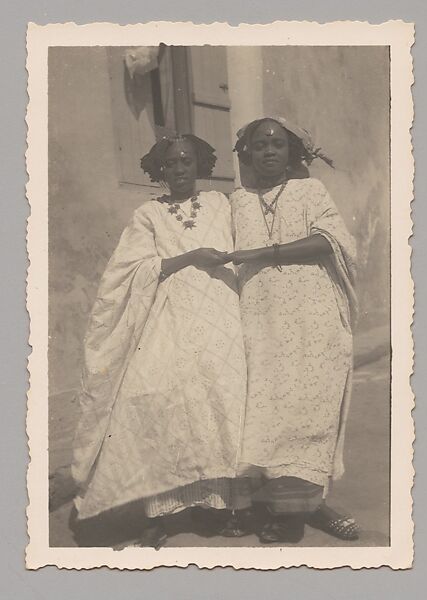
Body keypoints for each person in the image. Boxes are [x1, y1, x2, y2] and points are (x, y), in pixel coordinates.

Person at [71, 133, 247, 548]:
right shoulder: (147, 214)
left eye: (188, 161)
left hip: (222, 314)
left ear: (201, 164)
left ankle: (224, 505)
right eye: (172, 163)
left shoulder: (224, 204)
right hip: (170, 317)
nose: (180, 168)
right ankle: (162, 513)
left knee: (224, 401)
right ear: (160, 170)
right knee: (157, 402)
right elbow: (127, 270)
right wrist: (188, 258)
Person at [227, 116, 359, 544]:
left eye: (277, 145)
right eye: (259, 145)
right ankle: (279, 504)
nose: (268, 152)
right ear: (246, 152)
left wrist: (264, 252)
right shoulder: (237, 202)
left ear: (291, 152)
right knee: (266, 413)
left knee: (308, 412)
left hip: (311, 319)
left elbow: (332, 241)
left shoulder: (309, 191)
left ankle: (297, 514)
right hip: (259, 321)